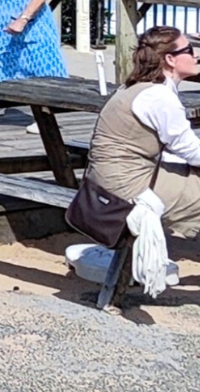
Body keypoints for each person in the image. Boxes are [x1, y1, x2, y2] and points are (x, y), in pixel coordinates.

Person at [85, 25, 200, 237]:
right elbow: (191, 151)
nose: (197, 55)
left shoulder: (138, 85)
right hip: (124, 188)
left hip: (104, 179)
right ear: (170, 59)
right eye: (190, 50)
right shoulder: (159, 96)